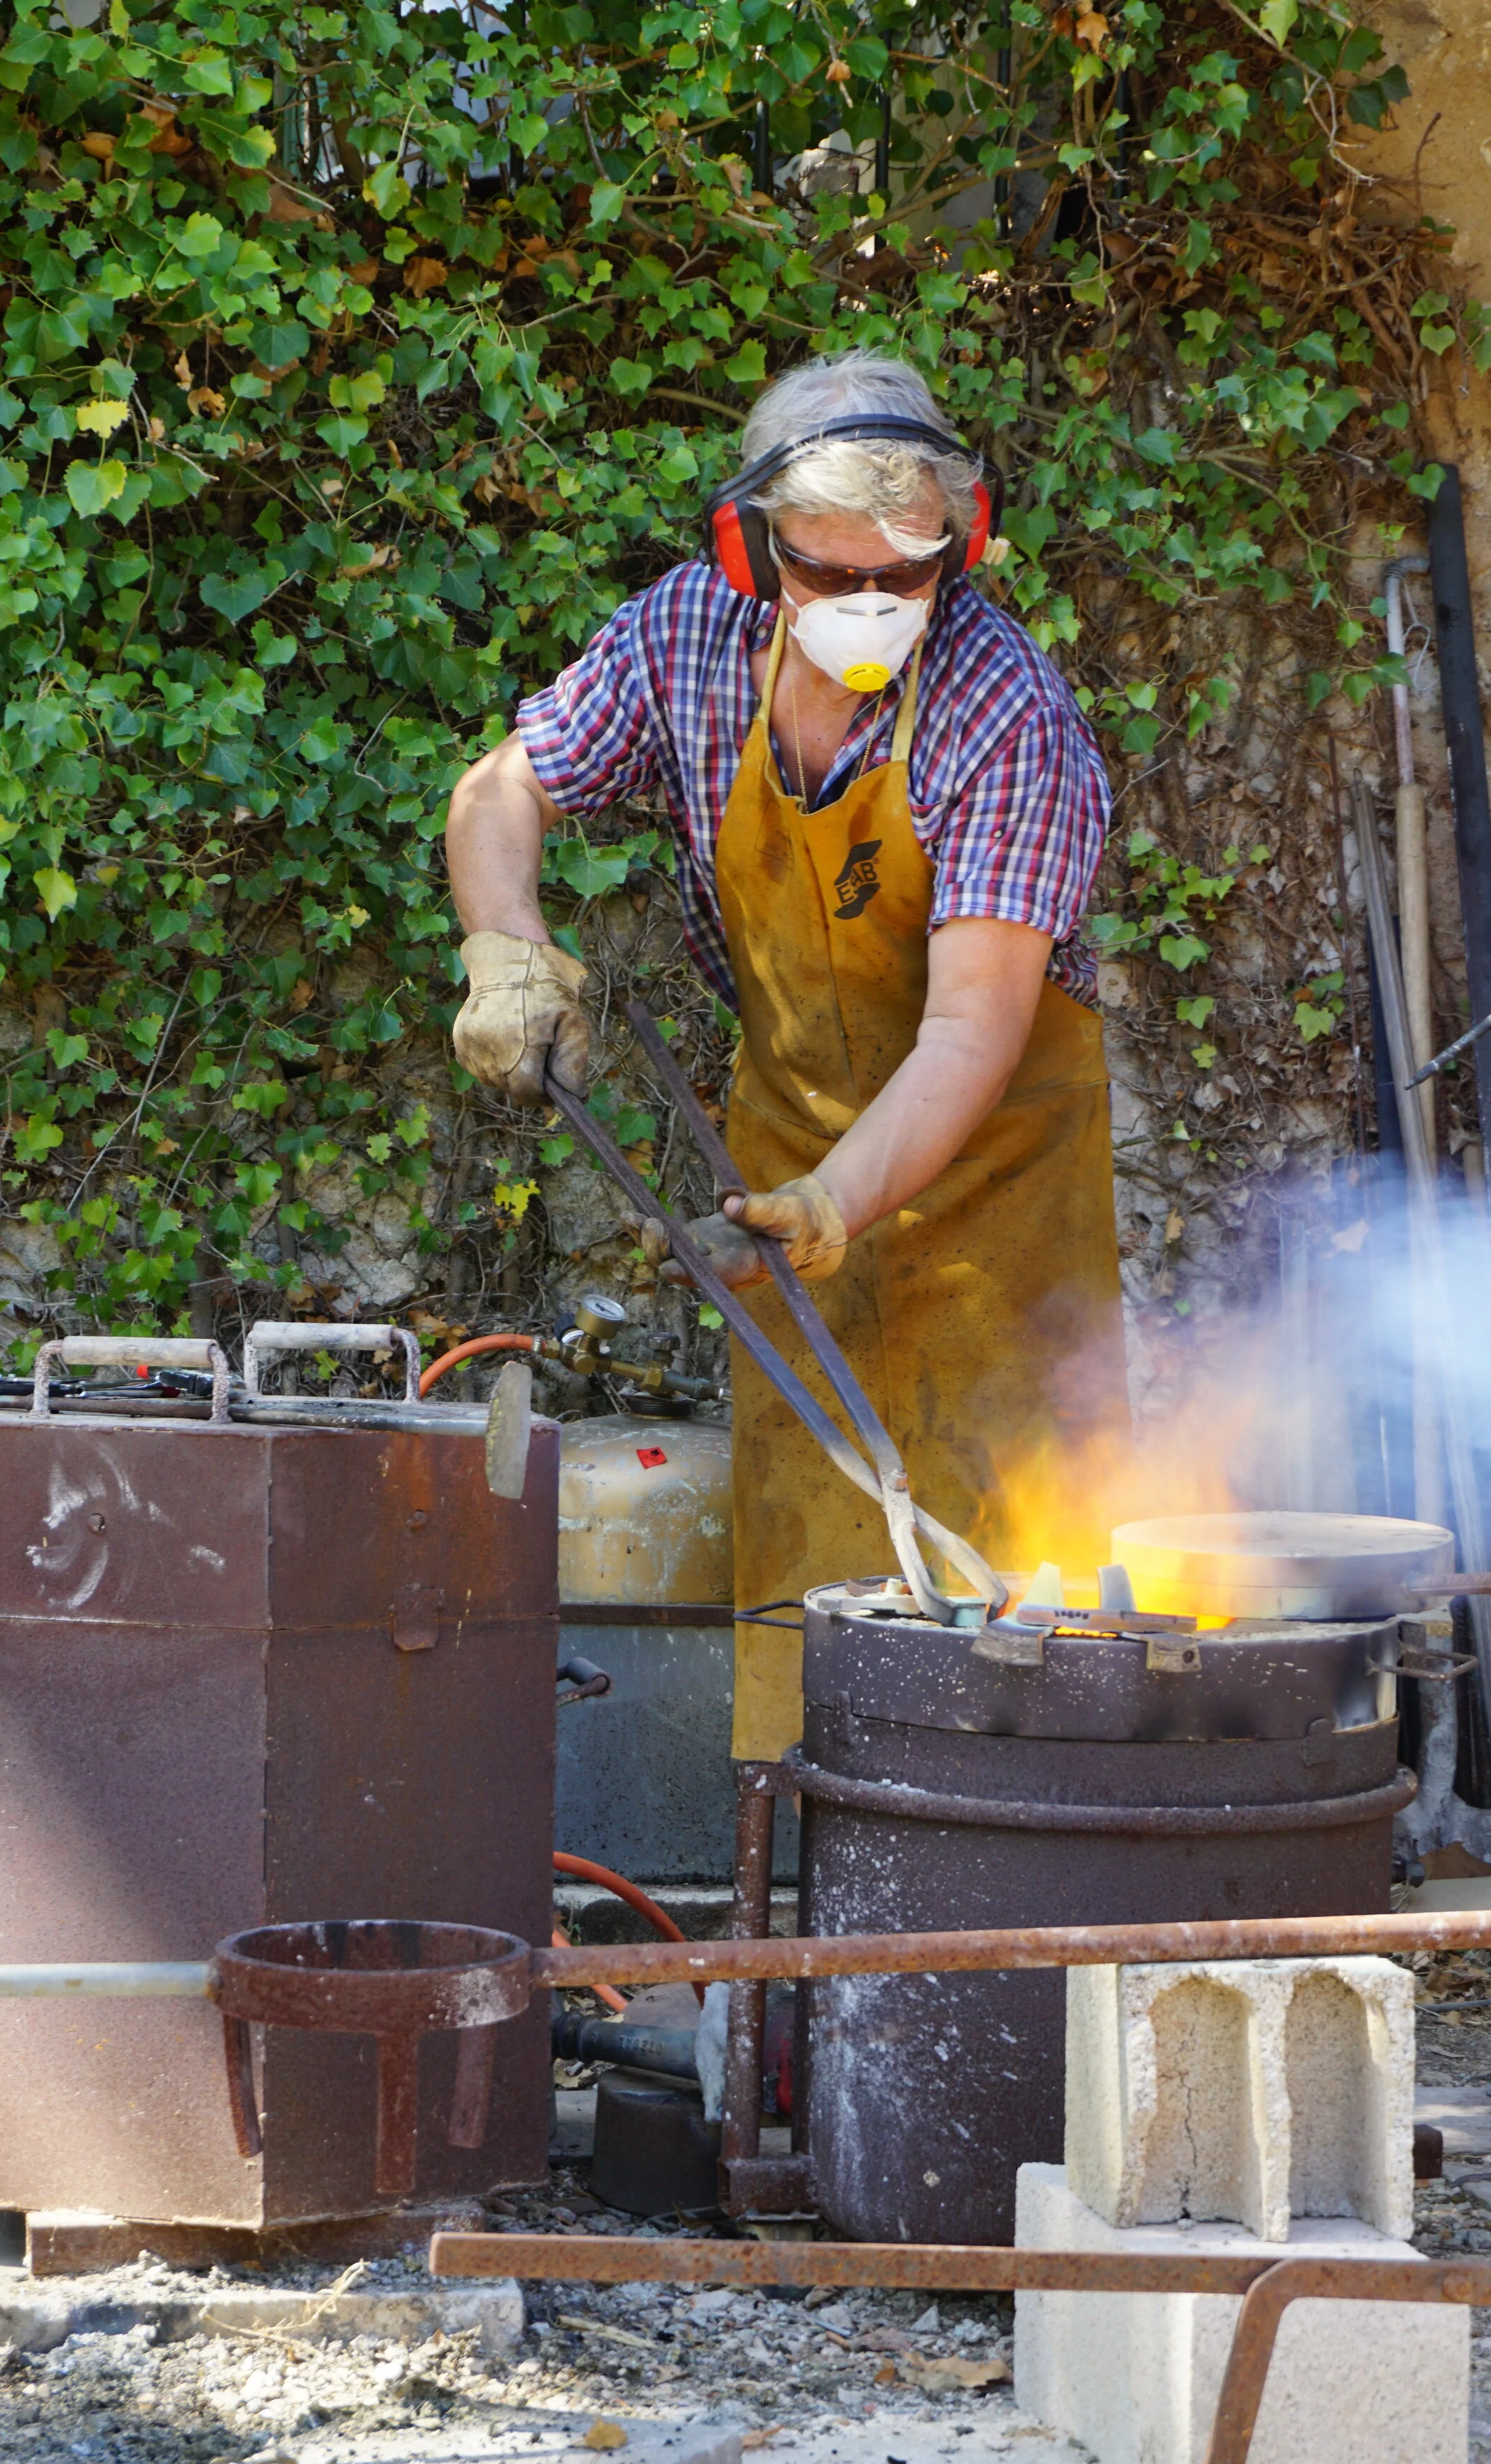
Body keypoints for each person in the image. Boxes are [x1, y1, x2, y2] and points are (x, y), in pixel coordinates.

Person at [444, 349, 1126, 1766]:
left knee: (1010, 1588)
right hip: (786, 1134)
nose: (869, 608)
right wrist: (504, 940)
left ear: (963, 542)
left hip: (991, 1192)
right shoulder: (684, 640)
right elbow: (505, 787)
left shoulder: (1007, 719)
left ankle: (1006, 1915)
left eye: (906, 575)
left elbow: (966, 1032)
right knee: (810, 1569)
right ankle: (798, 1920)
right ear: (752, 551)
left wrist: (830, 1205)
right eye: (824, 577)